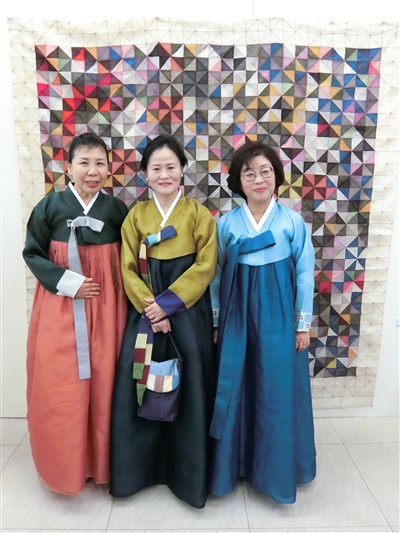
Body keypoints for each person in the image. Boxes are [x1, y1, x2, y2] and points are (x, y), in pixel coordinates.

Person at [110, 134, 217, 509]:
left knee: (190, 387)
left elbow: (205, 266)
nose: (164, 174)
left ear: (183, 171)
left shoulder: (198, 214)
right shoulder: (136, 216)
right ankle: (139, 472)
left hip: (187, 314)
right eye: (156, 168)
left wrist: (168, 305)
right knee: (139, 383)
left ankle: (184, 476)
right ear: (145, 174)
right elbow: (126, 268)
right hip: (145, 314)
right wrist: (150, 308)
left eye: (171, 166)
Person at [209, 141, 316, 504]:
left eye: (265, 171)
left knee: (275, 389)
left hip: (279, 317)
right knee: (236, 386)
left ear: (276, 176)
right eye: (249, 173)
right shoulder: (226, 224)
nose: (259, 179)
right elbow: (215, 275)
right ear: (238, 182)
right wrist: (216, 321)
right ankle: (235, 466)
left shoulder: (292, 222)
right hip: (236, 315)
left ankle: (275, 472)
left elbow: (304, 274)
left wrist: (302, 324)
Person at [22, 132, 128, 495]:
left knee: (106, 381)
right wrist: (69, 283)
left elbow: (131, 258)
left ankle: (102, 465)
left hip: (109, 308)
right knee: (62, 385)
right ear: (68, 167)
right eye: (84, 163)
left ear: (109, 169)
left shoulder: (116, 210)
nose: (92, 171)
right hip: (60, 307)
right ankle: (65, 467)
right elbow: (32, 253)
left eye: (100, 163)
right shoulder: (49, 207)